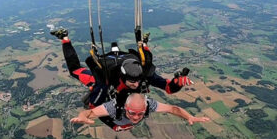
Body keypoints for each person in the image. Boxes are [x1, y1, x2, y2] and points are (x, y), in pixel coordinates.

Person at [50, 28, 192, 109]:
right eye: (132, 82)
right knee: (76, 72)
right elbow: (94, 105)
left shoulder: (143, 75)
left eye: (137, 81)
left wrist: (177, 82)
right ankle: (65, 38)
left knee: (79, 74)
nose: (136, 84)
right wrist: (100, 89)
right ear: (123, 78)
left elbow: (168, 88)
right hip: (108, 65)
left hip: (127, 60)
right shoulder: (106, 79)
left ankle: (65, 39)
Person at [70, 93, 211, 131]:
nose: (136, 117)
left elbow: (173, 109)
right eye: (132, 113)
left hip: (122, 120)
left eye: (140, 113)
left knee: (125, 125)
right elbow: (88, 113)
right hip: (114, 118)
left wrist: (189, 117)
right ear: (126, 108)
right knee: (95, 104)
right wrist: (82, 117)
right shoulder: (113, 106)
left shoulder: (149, 104)